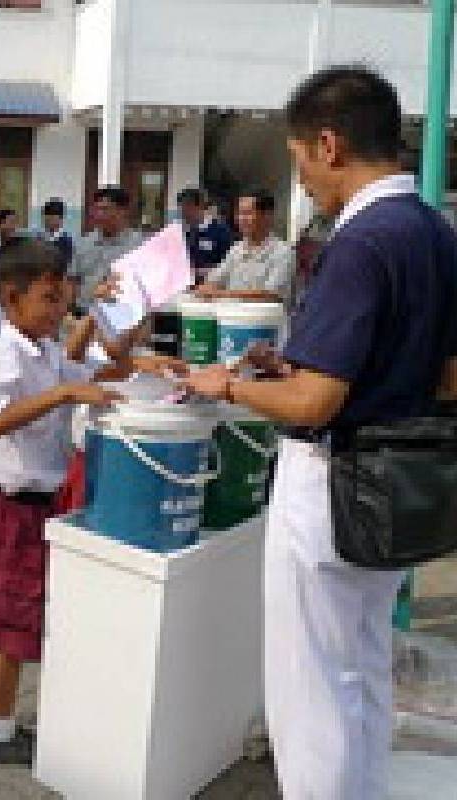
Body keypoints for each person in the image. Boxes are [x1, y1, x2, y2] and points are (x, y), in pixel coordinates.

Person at [185, 65, 457, 800]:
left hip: (332, 487)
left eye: (300, 158)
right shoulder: (434, 231)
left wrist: (231, 383)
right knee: (362, 672)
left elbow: (313, 404)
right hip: (396, 492)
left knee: (310, 701)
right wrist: (300, 364)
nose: (301, 179)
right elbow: (444, 375)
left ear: (330, 145)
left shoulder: (361, 240)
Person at [0, 239, 124, 765]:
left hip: (43, 503)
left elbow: (89, 375)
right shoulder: (4, 354)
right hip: (11, 507)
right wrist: (61, 396)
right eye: (48, 300)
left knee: (24, 611)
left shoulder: (47, 349)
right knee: (9, 627)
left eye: (63, 300)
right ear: (11, 300)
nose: (59, 311)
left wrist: (143, 364)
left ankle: (6, 722)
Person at [195, 189, 295, 305]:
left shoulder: (282, 252)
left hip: (262, 320)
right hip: (231, 317)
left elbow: (271, 294)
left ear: (267, 216)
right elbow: (215, 279)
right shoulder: (236, 249)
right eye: (239, 213)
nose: (241, 219)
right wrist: (206, 288)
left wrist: (220, 294)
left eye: (247, 213)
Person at [71, 186, 144, 313]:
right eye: (97, 209)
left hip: (122, 315)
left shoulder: (139, 246)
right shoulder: (84, 243)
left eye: (105, 209)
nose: (99, 214)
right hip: (83, 312)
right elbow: (72, 280)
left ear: (123, 211)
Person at [177, 187, 233, 283]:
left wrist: (202, 271)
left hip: (214, 285)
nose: (184, 214)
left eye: (187, 209)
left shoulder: (221, 231)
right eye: (182, 210)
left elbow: (230, 264)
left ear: (200, 207)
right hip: (189, 284)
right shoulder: (187, 232)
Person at [41, 198, 74, 263]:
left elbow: (67, 263)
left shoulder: (67, 241)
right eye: (47, 214)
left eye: (53, 215)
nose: (49, 218)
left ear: (61, 218)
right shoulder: (39, 238)